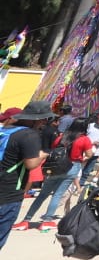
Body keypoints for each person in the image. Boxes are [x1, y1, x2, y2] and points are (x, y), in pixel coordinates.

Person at [15, 119, 91, 231]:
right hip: (72, 167)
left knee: (42, 195)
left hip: (56, 167)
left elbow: (53, 149)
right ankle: (47, 221)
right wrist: (80, 159)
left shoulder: (62, 136)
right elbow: (89, 154)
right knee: (57, 195)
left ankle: (26, 220)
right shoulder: (84, 139)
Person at [0, 99, 54, 251]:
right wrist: (43, 155)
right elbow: (30, 164)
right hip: (8, 194)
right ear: (41, 119)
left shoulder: (5, 130)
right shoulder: (29, 135)